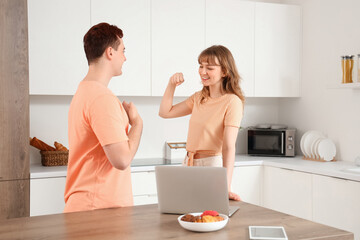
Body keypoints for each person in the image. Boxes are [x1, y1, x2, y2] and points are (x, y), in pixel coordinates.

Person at [64, 22, 143, 213]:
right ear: (110, 52)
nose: (125, 58)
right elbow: (122, 160)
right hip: (98, 210)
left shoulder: (84, 90)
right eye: (122, 51)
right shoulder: (102, 98)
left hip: (90, 206)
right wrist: (137, 124)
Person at [159, 45, 244, 201]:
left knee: (210, 215)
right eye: (201, 66)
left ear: (224, 71)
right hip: (189, 163)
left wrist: (226, 185)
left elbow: (228, 147)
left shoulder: (232, 102)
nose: (202, 72)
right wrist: (171, 85)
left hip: (211, 165)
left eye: (209, 68)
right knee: (186, 213)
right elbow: (165, 112)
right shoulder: (199, 98)